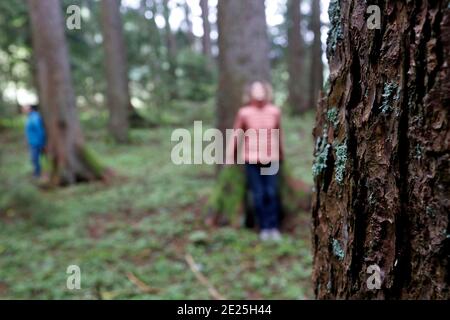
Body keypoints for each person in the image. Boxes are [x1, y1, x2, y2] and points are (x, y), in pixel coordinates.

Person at [227, 81, 284, 241]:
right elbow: (236, 134)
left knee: (271, 193)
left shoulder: (274, 111)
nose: (259, 92)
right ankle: (264, 228)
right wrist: (230, 156)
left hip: (272, 159)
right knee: (258, 195)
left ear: (267, 92)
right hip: (251, 159)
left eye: (261, 89)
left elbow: (279, 134)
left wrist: (281, 153)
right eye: (255, 89)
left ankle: (274, 227)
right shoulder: (244, 112)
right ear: (250, 93)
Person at [23, 104, 46, 178]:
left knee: (35, 158)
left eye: (25, 108)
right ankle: (37, 173)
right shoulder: (30, 117)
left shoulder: (35, 117)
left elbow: (40, 131)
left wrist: (42, 143)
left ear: (31, 109)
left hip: (37, 143)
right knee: (34, 159)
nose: (23, 110)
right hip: (33, 142)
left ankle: (37, 174)